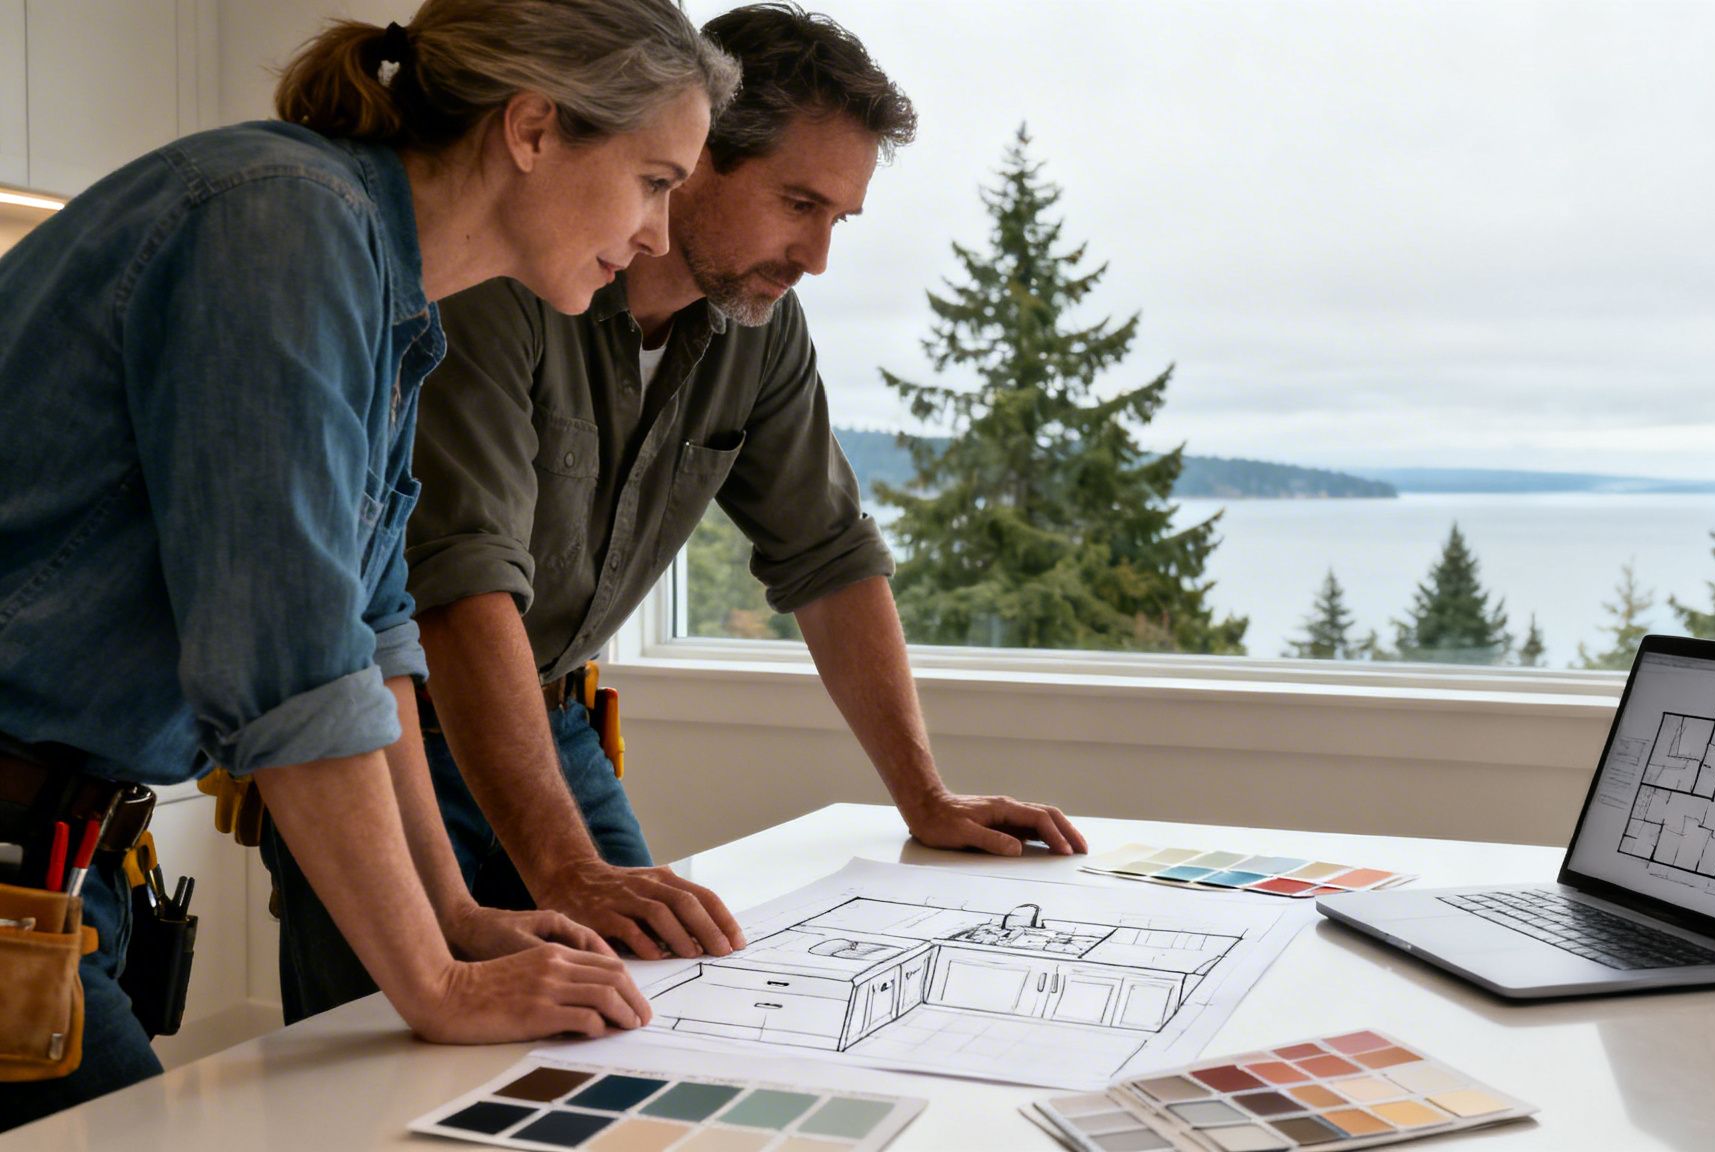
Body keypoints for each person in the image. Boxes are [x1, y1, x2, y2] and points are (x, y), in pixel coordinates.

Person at [258, 2, 1090, 1020]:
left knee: (655, 1020)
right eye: (798, 203)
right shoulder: (498, 276)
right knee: (383, 1070)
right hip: (396, 740)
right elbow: (455, 588)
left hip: (551, 722)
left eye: (839, 219)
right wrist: (565, 871)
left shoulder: (758, 326)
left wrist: (924, 798)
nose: (816, 255)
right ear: (693, 158)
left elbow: (827, 553)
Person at [0, 0, 739, 1128]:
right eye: (652, 179)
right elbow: (289, 663)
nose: (656, 231)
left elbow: (375, 629)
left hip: (59, 851)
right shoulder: (280, 225)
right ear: (533, 129)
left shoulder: (386, 287)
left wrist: (455, 913)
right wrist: (434, 986)